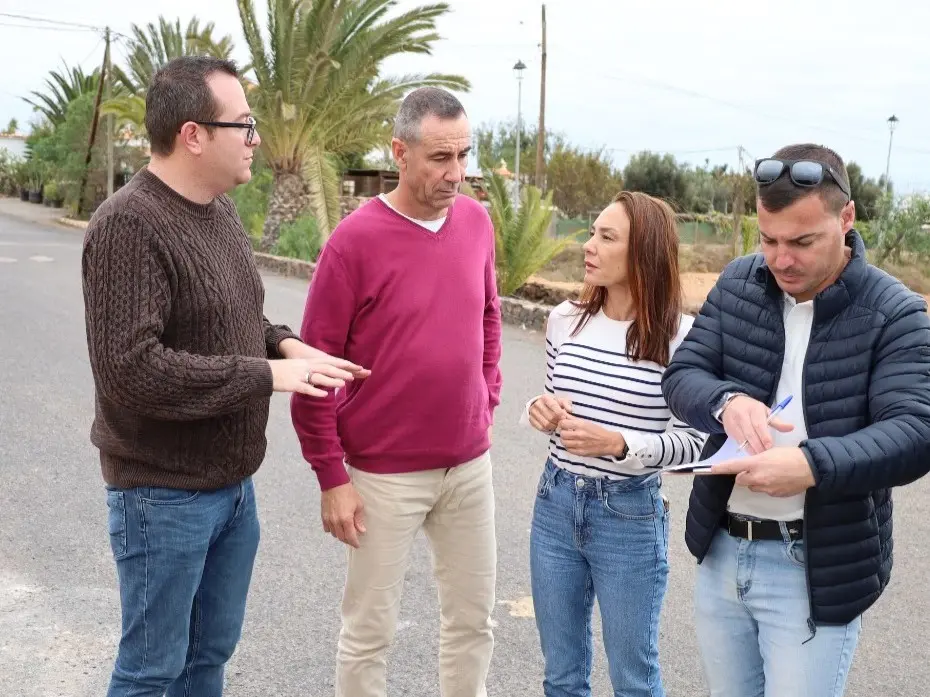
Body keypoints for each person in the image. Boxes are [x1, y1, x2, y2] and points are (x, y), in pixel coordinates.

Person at [81, 56, 368, 697]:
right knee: (152, 672)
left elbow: (240, 316)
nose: (255, 138)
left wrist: (288, 345)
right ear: (193, 135)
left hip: (231, 492)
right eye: (243, 124)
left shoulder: (219, 211)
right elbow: (133, 372)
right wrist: (265, 376)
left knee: (207, 658)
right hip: (162, 496)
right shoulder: (128, 224)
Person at [661, 143, 930, 697]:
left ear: (846, 217)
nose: (782, 259)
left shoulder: (895, 313)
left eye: (802, 242)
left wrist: (811, 465)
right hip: (722, 553)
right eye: (769, 240)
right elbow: (683, 375)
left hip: (815, 567)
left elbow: (914, 431)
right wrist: (726, 402)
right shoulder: (739, 282)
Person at [290, 87, 502, 697]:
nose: (455, 173)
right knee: (369, 633)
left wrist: (485, 395)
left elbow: (489, 315)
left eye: (464, 155)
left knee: (473, 623)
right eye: (440, 157)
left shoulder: (476, 221)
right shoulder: (353, 242)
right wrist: (332, 477)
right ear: (399, 153)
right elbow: (315, 369)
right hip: (383, 476)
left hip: (469, 468)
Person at [522, 191, 706, 697]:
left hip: (629, 516)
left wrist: (620, 445)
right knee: (561, 676)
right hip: (555, 504)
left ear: (642, 252)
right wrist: (539, 411)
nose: (589, 246)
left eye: (606, 237)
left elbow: (697, 444)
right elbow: (551, 401)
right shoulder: (565, 319)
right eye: (591, 233)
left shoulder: (681, 338)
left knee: (634, 680)